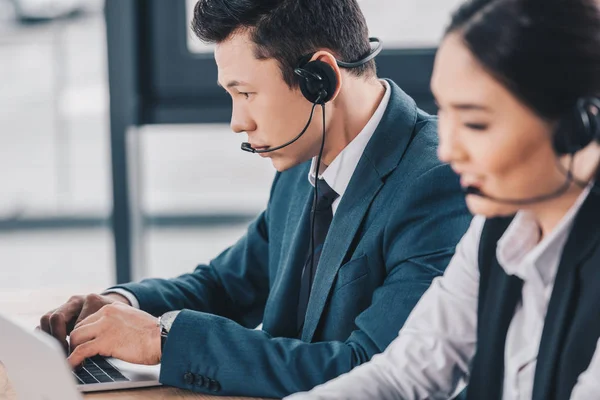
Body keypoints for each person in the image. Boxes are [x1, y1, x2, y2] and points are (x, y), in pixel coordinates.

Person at [38, 0, 470, 398]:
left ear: (320, 79)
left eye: (246, 94)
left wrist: (163, 341)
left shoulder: (438, 184)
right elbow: (227, 284)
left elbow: (375, 372)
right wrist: (121, 307)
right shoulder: (306, 156)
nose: (236, 122)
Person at [286, 0, 600, 399]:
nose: (448, 150)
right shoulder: (499, 229)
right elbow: (405, 375)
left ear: (580, 126)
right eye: (444, 113)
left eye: (474, 122)